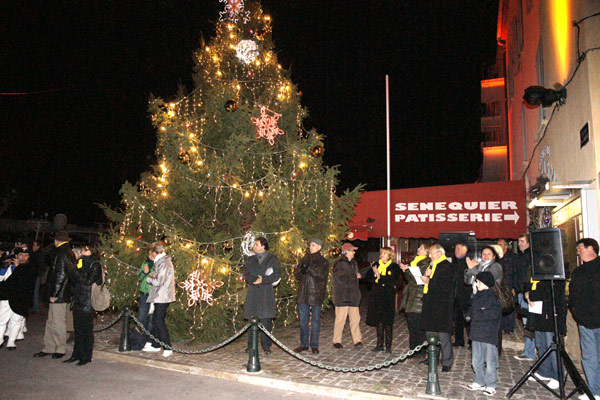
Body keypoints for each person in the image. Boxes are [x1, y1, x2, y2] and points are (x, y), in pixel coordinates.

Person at [34, 230, 75, 359]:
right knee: (52, 320)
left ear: (56, 241)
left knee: (57, 321)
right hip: (61, 292)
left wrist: (55, 293)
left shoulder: (61, 253)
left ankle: (59, 348)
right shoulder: (67, 252)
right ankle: (49, 346)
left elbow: (61, 275)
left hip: (59, 293)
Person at [524, 268, 566, 390]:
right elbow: (528, 284)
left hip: (549, 315)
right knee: (541, 344)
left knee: (551, 345)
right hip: (538, 313)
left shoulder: (555, 274)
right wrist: (527, 293)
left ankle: (557, 376)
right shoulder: (537, 272)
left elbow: (547, 292)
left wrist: (530, 295)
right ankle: (544, 371)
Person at [569, 238, 600, 400]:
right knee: (589, 356)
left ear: (591, 249)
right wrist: (576, 313)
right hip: (585, 321)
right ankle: (594, 391)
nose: (578, 252)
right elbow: (573, 296)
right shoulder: (578, 272)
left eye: (580, 248)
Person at [63, 242, 102, 365]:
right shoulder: (80, 262)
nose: (82, 252)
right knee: (78, 329)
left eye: (85, 250)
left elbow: (88, 281)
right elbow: (74, 281)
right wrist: (72, 270)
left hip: (87, 301)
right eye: (83, 250)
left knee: (86, 330)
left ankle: (86, 356)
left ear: (92, 251)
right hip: (78, 299)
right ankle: (76, 354)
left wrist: (74, 271)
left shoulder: (95, 264)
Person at [464, 271, 502, 397]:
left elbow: (493, 314)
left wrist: (477, 314)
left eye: (478, 281)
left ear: (485, 283)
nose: (476, 283)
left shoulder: (493, 297)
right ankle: (479, 380)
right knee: (476, 360)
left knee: (490, 361)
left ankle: (491, 384)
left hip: (488, 334)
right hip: (476, 333)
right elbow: (472, 308)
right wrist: (468, 315)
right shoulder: (477, 296)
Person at [243, 237, 281, 355]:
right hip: (253, 292)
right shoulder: (250, 260)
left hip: (266, 292)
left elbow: (277, 275)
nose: (254, 246)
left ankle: (266, 346)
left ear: (263, 246)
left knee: (265, 321)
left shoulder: (273, 259)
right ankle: (251, 345)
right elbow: (246, 274)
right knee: (251, 320)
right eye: (254, 244)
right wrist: (253, 280)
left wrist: (263, 280)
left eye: (256, 244)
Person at [420, 243, 455, 371]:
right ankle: (432, 358)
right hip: (431, 304)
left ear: (440, 253)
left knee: (443, 335)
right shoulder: (432, 265)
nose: (430, 256)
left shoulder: (447, 266)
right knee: (430, 333)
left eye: (432, 253)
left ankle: (447, 361)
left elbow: (445, 286)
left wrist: (429, 280)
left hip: (442, 305)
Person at [293, 238, 329, 354]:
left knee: (315, 321)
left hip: (316, 293)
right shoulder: (305, 258)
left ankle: (314, 344)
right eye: (310, 245)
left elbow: (321, 275)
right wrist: (300, 271)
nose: (310, 247)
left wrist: (308, 270)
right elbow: (297, 274)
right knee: (303, 321)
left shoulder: (323, 261)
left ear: (319, 247)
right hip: (303, 293)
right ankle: (304, 344)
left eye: (313, 245)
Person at [0, 246, 40, 350]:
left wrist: (18, 268)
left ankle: (11, 342)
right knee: (2, 320)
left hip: (21, 299)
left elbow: (27, 281)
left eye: (26, 255)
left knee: (16, 320)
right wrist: (4, 268)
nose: (23, 257)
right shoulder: (8, 266)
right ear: (16, 256)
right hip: (6, 297)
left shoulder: (31, 268)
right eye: (21, 255)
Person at [364, 247, 401, 353]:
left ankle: (388, 346)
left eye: (384, 253)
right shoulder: (376, 265)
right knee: (379, 321)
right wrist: (375, 273)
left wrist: (379, 276)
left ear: (390, 255)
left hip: (388, 296)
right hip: (377, 295)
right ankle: (379, 344)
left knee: (388, 322)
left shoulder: (394, 267)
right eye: (381, 253)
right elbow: (368, 278)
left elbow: (392, 280)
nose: (382, 255)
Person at [142, 241, 176, 357]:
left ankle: (167, 346)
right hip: (160, 295)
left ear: (155, 252)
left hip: (163, 296)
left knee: (159, 320)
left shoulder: (164, 263)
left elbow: (158, 281)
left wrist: (148, 278)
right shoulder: (161, 262)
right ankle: (156, 345)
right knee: (156, 320)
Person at [399, 242, 430, 354]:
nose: (418, 249)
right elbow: (410, 280)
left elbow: (418, 280)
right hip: (412, 297)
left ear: (427, 252)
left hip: (419, 298)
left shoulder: (426, 263)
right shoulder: (415, 262)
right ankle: (413, 349)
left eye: (421, 248)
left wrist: (406, 270)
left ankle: (420, 350)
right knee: (412, 326)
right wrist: (406, 270)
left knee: (418, 327)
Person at [332, 243, 362, 349]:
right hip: (342, 296)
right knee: (340, 319)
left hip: (353, 296)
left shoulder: (353, 263)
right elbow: (341, 280)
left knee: (355, 319)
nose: (354, 252)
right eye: (352, 250)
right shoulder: (339, 264)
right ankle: (337, 340)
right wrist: (355, 276)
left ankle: (357, 340)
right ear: (347, 252)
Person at [514, 233, 536, 362]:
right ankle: (528, 350)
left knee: (530, 323)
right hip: (522, 292)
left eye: (522, 241)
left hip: (529, 294)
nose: (520, 244)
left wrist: (526, 290)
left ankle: (529, 351)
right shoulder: (521, 257)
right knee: (526, 322)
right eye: (519, 241)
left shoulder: (530, 257)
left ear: (528, 243)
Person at [451, 242, 471, 347]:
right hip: (456, 296)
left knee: (468, 320)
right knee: (457, 319)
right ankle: (459, 341)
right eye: (455, 249)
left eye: (458, 249)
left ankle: (471, 342)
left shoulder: (468, 262)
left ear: (464, 250)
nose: (456, 251)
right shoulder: (454, 263)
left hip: (466, 296)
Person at [497, 239, 518, 334]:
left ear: (506, 246)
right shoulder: (497, 258)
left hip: (509, 285)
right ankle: (501, 326)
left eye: (500, 245)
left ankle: (509, 328)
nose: (498, 247)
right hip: (499, 286)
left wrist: (514, 287)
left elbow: (516, 273)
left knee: (509, 306)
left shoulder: (512, 257)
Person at [137, 250, 155, 335]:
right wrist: (144, 273)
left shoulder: (159, 264)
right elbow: (139, 278)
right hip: (144, 293)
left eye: (152, 255)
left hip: (154, 295)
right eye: (149, 254)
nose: (150, 256)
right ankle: (139, 337)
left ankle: (149, 338)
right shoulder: (146, 262)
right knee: (141, 317)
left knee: (152, 319)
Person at [30, 240, 46, 313]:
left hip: (36, 275)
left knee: (35, 291)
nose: (33, 247)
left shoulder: (39, 255)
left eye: (35, 245)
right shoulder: (33, 254)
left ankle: (35, 308)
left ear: (38, 246)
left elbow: (42, 266)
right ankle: (33, 306)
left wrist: (39, 273)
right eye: (33, 245)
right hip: (33, 274)